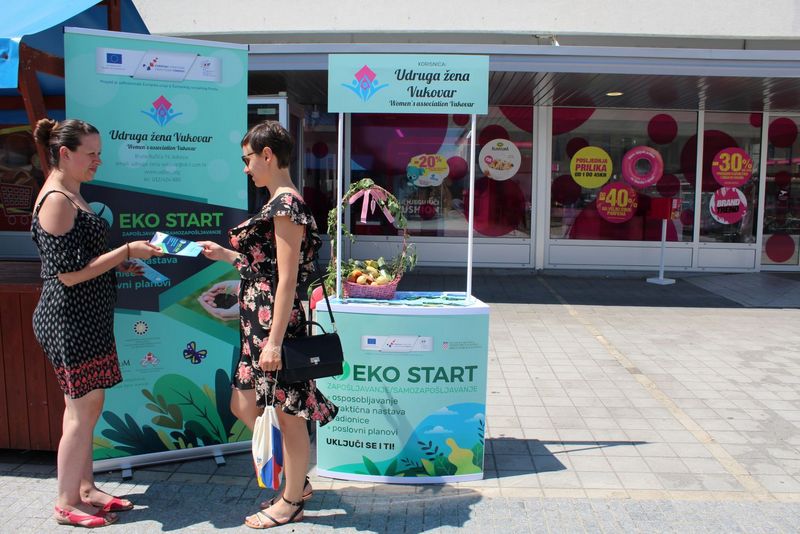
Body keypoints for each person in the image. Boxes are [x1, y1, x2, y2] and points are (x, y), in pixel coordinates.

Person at [198, 120, 338, 530]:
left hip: (274, 327)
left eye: (248, 160)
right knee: (243, 403)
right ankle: (296, 480)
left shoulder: (286, 205)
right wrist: (226, 255)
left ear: (268, 155)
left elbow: (288, 280)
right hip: (256, 327)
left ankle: (291, 498)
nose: (246, 168)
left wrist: (275, 342)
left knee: (289, 413)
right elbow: (266, 267)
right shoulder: (277, 201)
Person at [30, 119, 163, 528]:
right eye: (90, 154)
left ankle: (85, 489)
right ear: (64, 154)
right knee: (80, 410)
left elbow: (84, 261)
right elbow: (68, 275)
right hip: (69, 320)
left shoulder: (71, 191)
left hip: (87, 318)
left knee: (88, 407)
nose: (97, 161)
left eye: (99, 153)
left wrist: (120, 266)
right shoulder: (57, 199)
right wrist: (125, 252)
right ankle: (66, 501)